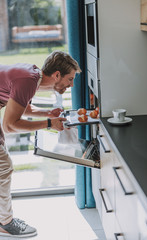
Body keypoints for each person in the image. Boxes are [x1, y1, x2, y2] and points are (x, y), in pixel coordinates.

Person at [0, 51, 81, 238]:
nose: (71, 85)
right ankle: (5, 224)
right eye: (70, 79)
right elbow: (10, 125)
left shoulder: (33, 76)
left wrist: (49, 113)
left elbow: (24, 108)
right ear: (57, 75)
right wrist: (50, 124)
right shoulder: (28, 79)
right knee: (3, 166)